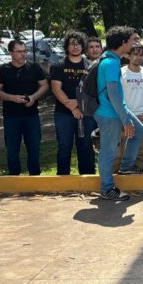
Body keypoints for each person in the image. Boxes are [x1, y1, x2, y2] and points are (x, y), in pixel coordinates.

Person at [94, 26, 143, 201]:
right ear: (123, 42)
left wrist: (125, 116)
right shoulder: (111, 63)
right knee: (108, 152)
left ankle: (126, 166)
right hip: (109, 113)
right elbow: (113, 94)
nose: (134, 44)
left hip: (116, 109)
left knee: (140, 130)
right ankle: (107, 189)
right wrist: (126, 120)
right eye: (131, 41)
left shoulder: (112, 60)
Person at [0, 40, 48, 176]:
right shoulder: (3, 70)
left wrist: (33, 97)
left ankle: (35, 176)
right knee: (12, 150)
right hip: (11, 117)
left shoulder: (34, 68)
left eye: (25, 51)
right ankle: (14, 177)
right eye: (19, 51)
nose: (23, 54)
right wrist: (12, 98)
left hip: (32, 115)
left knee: (34, 148)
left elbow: (44, 85)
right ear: (10, 53)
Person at [50, 31, 96, 176]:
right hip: (63, 113)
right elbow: (56, 89)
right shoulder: (58, 65)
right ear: (67, 46)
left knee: (86, 146)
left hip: (86, 113)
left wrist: (79, 104)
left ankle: (87, 177)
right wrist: (73, 107)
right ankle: (63, 178)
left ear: (83, 46)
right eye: (72, 44)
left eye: (78, 44)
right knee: (64, 146)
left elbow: (94, 91)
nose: (75, 47)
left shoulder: (90, 66)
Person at [117, 44, 143, 173]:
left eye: (141, 55)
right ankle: (116, 176)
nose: (138, 57)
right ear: (129, 56)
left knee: (142, 150)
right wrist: (123, 115)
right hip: (125, 116)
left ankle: (138, 176)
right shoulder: (121, 72)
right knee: (120, 150)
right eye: (135, 54)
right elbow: (116, 96)